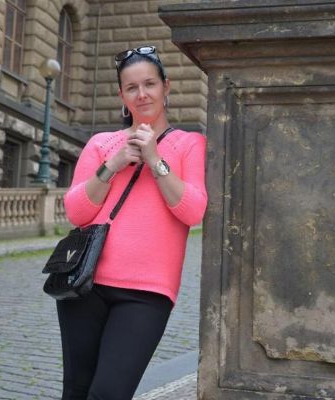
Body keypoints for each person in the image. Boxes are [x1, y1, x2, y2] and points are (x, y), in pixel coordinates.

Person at [58, 45, 208, 400]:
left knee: (109, 393)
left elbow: (193, 211)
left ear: (166, 87)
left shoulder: (189, 144)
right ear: (122, 96)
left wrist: (155, 159)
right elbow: (76, 212)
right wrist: (112, 164)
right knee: (76, 390)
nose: (142, 94)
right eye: (132, 87)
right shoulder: (102, 143)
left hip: (147, 294)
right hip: (86, 283)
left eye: (149, 84)